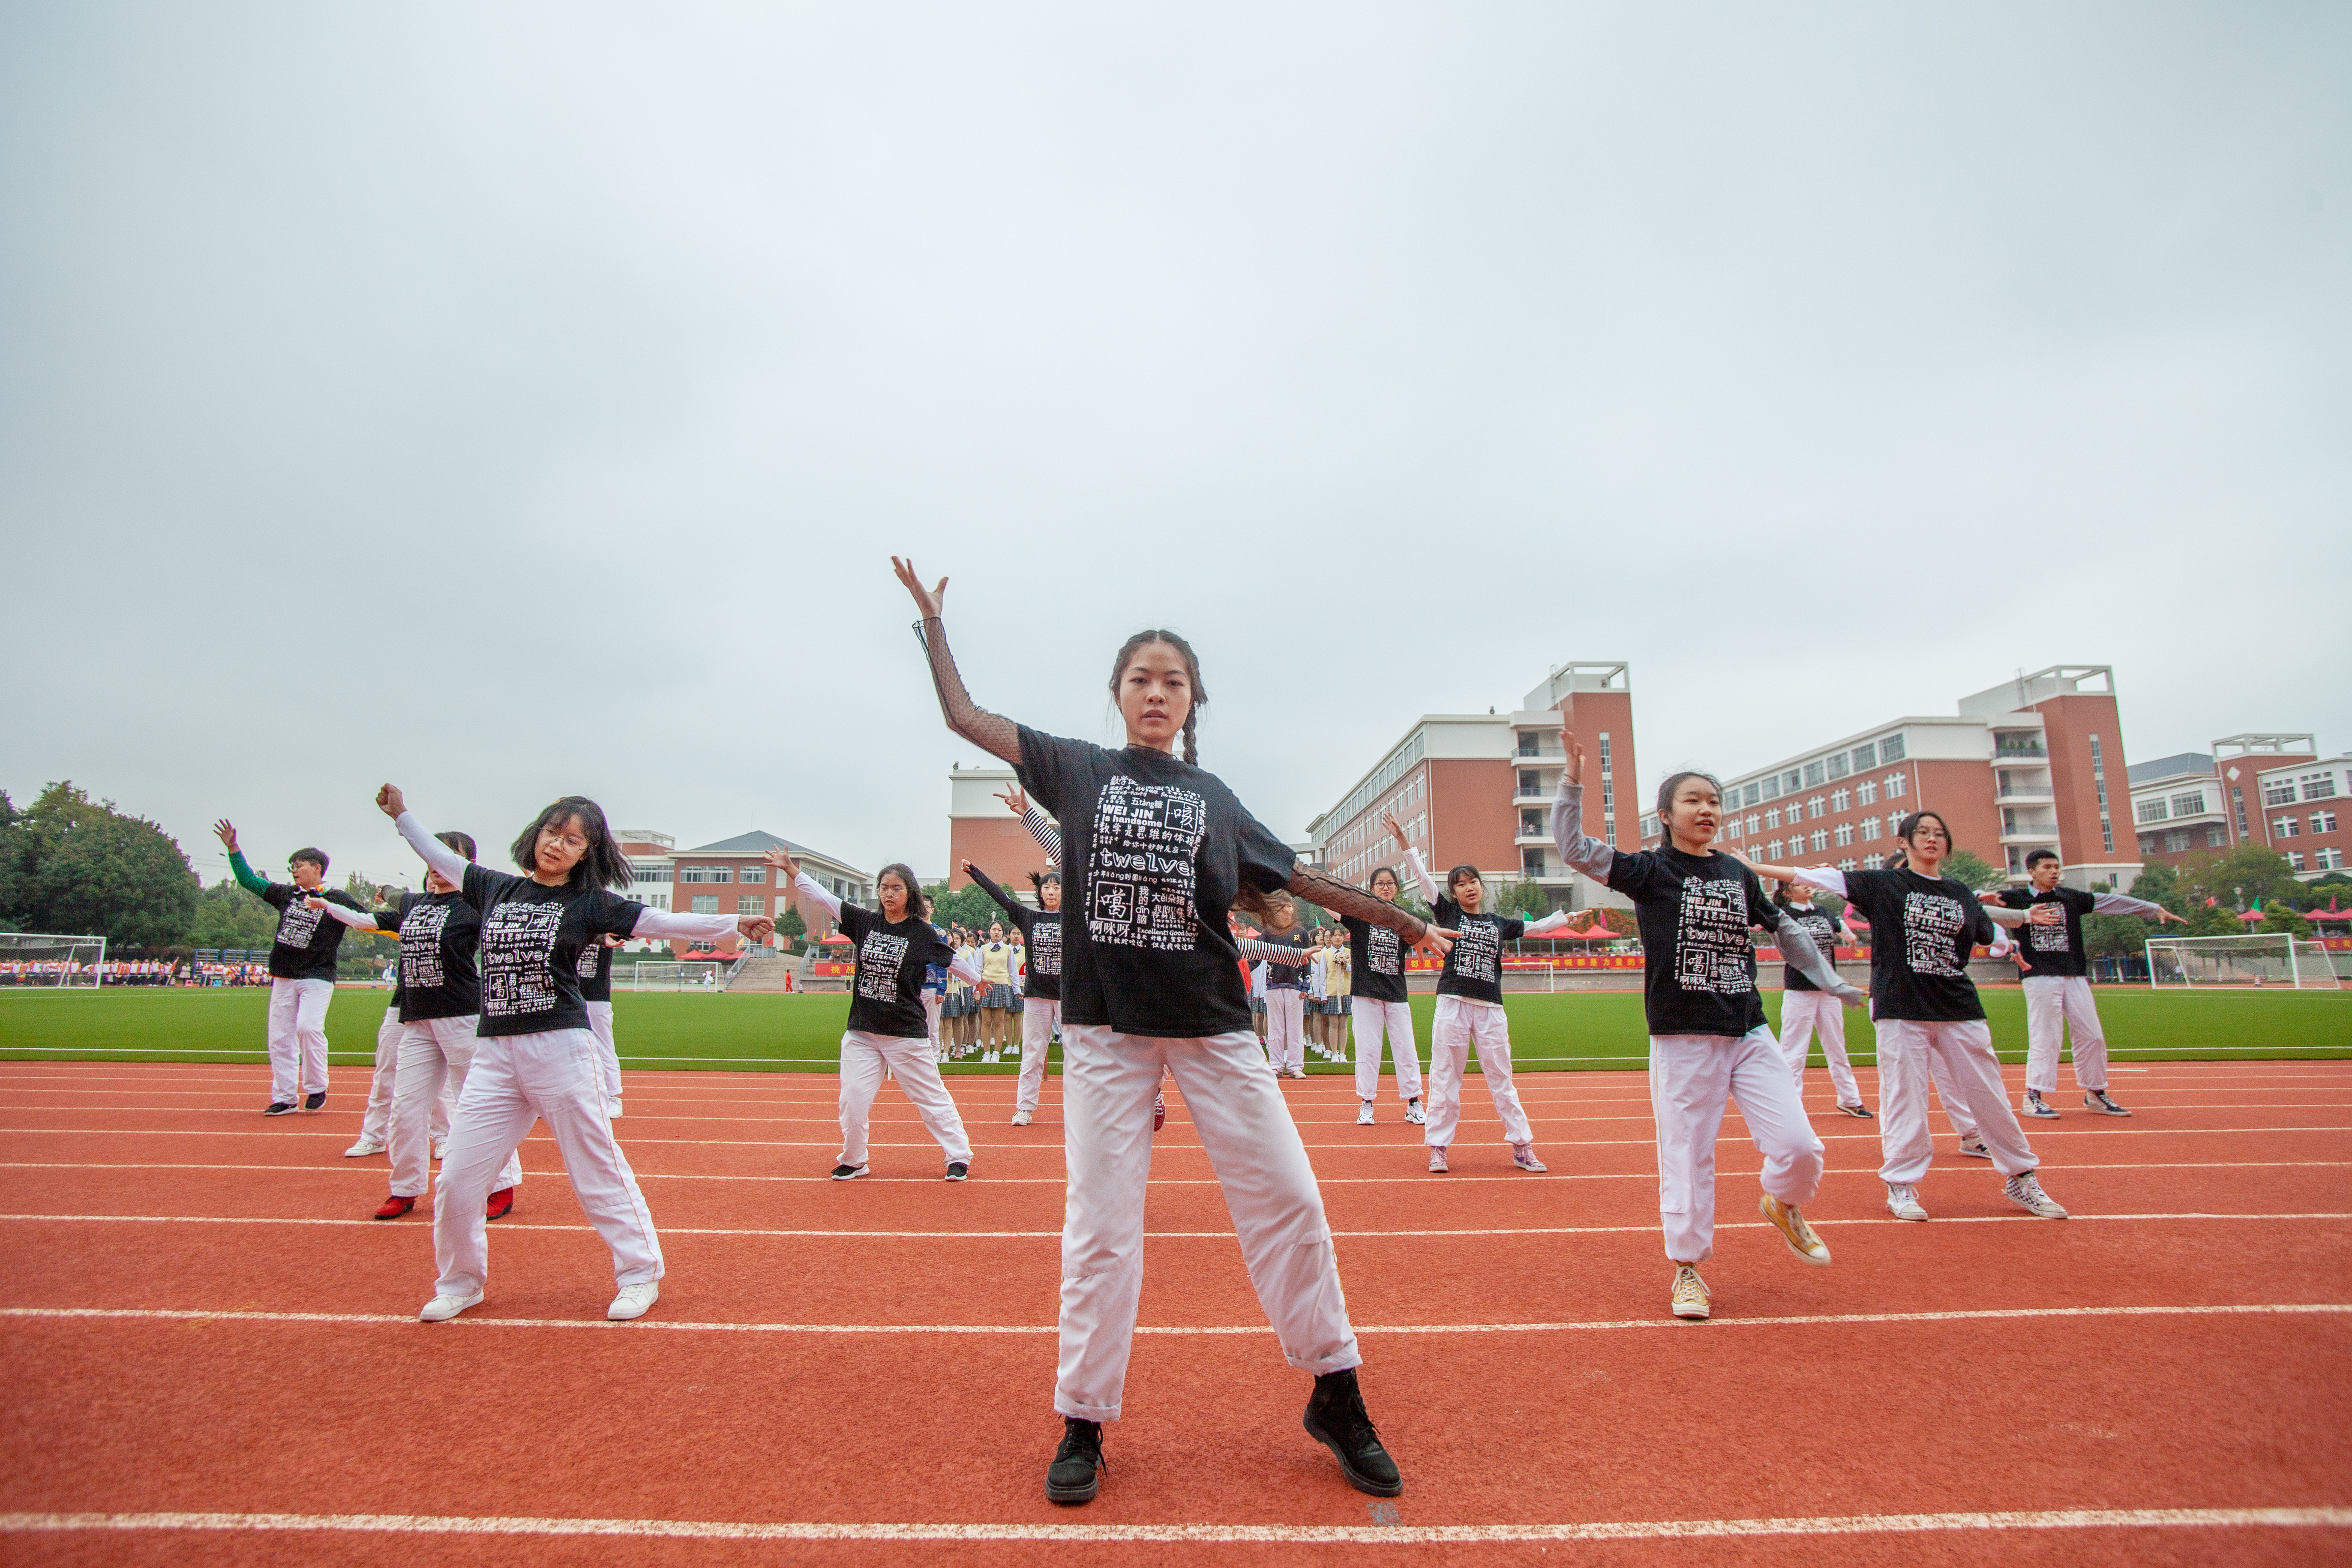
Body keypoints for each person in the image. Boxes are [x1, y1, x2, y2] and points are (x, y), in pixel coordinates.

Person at [895, 556, 1450, 1507]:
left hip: (1211, 1021)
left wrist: (1402, 922)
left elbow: (1299, 880)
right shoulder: (1076, 767)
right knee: (1100, 1228)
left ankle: (1336, 1391)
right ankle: (1082, 1418)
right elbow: (965, 717)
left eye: (1174, 680)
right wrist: (934, 627)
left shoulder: (1214, 797)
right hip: (1108, 1029)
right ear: (1116, 693)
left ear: (1193, 700)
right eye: (1139, 677)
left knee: (1288, 1200)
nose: (1156, 691)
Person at [378, 785, 765, 1323]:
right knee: (458, 1178)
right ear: (535, 835)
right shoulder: (494, 888)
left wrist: (729, 924)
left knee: (594, 1166)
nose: (557, 845)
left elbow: (659, 921)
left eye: (572, 840)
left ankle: (639, 1273)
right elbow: (441, 858)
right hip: (494, 1051)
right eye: (551, 833)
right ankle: (460, 1282)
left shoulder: (588, 902)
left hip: (559, 1046)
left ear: (588, 852)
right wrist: (403, 817)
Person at [1553, 737, 1865, 1320]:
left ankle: (1785, 1201)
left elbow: (1785, 931)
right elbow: (1572, 846)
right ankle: (1688, 1269)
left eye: (1715, 801)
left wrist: (1830, 979)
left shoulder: (1736, 872)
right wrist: (1572, 781)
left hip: (1748, 1028)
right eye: (1693, 800)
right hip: (1682, 1035)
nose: (1707, 810)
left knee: (1799, 1145)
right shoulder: (1649, 869)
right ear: (1666, 815)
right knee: (1687, 1155)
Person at [1737, 811, 2070, 1225]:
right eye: (1922, 833)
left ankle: (2022, 1175)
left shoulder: (1960, 891)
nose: (1932, 839)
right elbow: (1816, 877)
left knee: (1989, 1095)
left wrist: (2019, 920)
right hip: (1900, 1007)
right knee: (1904, 1097)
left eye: (1939, 834)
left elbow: (1987, 930)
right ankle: (1901, 1183)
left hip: (1959, 1006)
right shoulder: (1882, 884)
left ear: (1947, 844)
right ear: (1904, 842)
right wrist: (1753, 868)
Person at [311, 839, 521, 1220]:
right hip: (417, 1018)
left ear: (465, 864)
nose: (436, 865)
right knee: (406, 1106)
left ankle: (500, 1184)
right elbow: (368, 919)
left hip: (460, 1015)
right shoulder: (414, 903)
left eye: (447, 858)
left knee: (479, 1104)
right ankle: (405, 1188)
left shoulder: (477, 904)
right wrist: (328, 906)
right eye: (431, 858)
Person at [774, 848, 983, 1179]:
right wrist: (791, 870)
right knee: (853, 1099)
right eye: (884, 887)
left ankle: (958, 1155)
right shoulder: (864, 921)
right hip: (862, 1031)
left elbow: (952, 959)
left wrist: (977, 979)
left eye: (896, 888)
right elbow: (825, 898)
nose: (888, 893)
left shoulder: (922, 932)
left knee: (930, 1097)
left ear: (909, 893)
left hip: (905, 1033)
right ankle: (855, 1158)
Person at [1388, 810, 1571, 1173]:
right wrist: (1405, 844)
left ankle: (1522, 1145)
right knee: (1444, 1078)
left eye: (1474, 882)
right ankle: (1438, 1147)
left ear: (1482, 887)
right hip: (1453, 1002)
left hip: (1490, 1008)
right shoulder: (1448, 916)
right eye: (1461, 884)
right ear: (1454, 893)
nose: (1469, 887)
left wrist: (1565, 918)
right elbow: (1424, 880)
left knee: (1502, 1080)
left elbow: (1534, 929)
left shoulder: (1498, 923)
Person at [1987, 851, 2183, 1119]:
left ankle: (2095, 1093)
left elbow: (2111, 901)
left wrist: (2151, 909)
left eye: (2057, 867)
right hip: (2040, 975)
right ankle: (2033, 1096)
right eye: (2047, 867)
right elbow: (1977, 905)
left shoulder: (2071, 898)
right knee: (2047, 1035)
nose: (2054, 872)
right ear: (2031, 872)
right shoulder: (2014, 898)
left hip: (2075, 974)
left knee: (2092, 1035)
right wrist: (1996, 922)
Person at [214, 819, 362, 1115]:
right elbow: (248, 881)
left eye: (300, 865)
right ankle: (285, 1097)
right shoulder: (286, 895)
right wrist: (233, 847)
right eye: (292, 866)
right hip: (283, 975)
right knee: (280, 1038)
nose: (294, 870)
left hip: (317, 977)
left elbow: (369, 921)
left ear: (317, 868)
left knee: (308, 1027)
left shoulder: (336, 899)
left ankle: (317, 1085)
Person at [967, 860, 1062, 1126]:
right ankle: (1025, 1107)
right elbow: (1000, 896)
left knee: (1080, 1056)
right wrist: (976, 872)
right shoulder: (1029, 917)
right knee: (1032, 1053)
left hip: (1069, 996)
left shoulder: (1074, 918)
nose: (1052, 892)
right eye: (1047, 887)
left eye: (1057, 887)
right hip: (1037, 996)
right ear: (1040, 893)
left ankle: (1085, 1110)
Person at [1771, 877, 1872, 1119]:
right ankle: (1791, 1105)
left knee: (1837, 1048)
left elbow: (1845, 932)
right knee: (1793, 1051)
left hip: (1829, 993)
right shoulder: (1783, 916)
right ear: (1787, 892)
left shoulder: (1825, 913)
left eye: (1808, 883)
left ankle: (1850, 1100)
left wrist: (1852, 940)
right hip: (1799, 991)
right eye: (1798, 884)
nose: (1807, 886)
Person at [1344, 863, 1425, 1126]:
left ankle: (1414, 1103)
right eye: (1380, 884)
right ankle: (1366, 1103)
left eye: (1390, 883)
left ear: (1397, 888)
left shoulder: (1404, 919)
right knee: (1368, 1050)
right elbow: (1331, 906)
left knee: (1406, 1049)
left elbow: (1424, 937)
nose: (1386, 887)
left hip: (1396, 993)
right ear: (1371, 889)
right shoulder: (1360, 916)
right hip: (1366, 993)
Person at [1257, 893, 1315, 1077]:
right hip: (1273, 984)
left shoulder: (1301, 932)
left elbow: (1307, 961)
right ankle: (1275, 1065)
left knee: (1295, 1028)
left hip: (1295, 985)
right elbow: (1257, 955)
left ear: (1293, 909)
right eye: (1282, 907)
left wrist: (1306, 985)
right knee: (1275, 1028)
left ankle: (1296, 1066)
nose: (1286, 910)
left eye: (1289, 906)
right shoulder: (1268, 932)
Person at [978, 920, 1018, 1063]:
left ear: (1003, 933)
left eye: (999, 930)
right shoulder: (982, 949)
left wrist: (1017, 990)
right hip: (985, 987)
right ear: (989, 932)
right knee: (986, 1022)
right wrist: (976, 990)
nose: (996, 933)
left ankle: (997, 1053)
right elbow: (977, 971)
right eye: (994, 930)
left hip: (1001, 986)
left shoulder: (1008, 950)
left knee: (999, 1022)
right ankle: (986, 1052)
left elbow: (1013, 972)